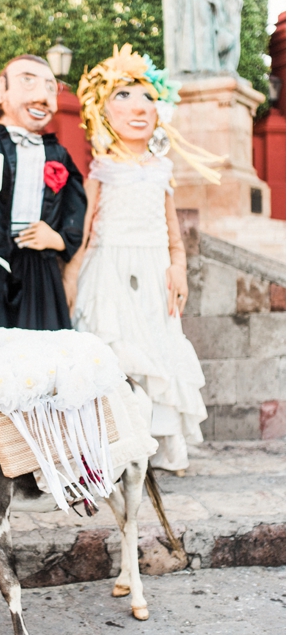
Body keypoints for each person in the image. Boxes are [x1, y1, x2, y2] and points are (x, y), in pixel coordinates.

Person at [68, 46, 211, 473]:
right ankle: (112, 443)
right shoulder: (99, 169)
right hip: (108, 271)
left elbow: (172, 228)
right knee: (114, 353)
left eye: (148, 98)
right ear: (103, 113)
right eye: (124, 97)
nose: (139, 107)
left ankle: (164, 445)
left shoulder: (162, 168)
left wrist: (179, 265)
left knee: (160, 350)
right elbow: (85, 227)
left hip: (154, 275)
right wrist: (72, 275)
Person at [0, 55, 89, 330]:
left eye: (50, 87)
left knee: (44, 342)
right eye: (28, 82)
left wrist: (59, 239)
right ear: (1, 90)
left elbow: (75, 205)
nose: (43, 97)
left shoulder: (57, 153)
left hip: (39, 264)